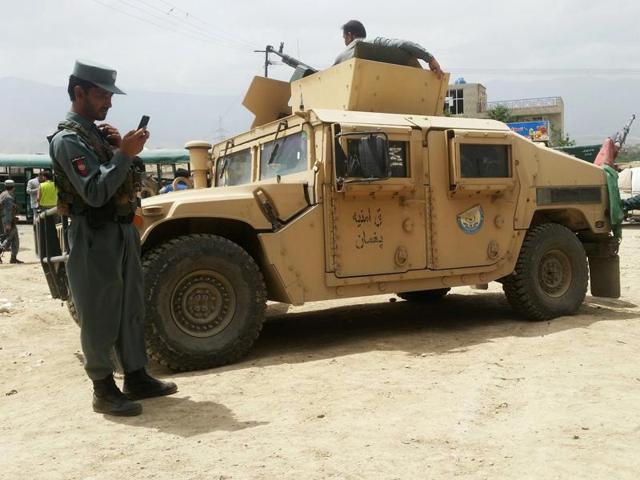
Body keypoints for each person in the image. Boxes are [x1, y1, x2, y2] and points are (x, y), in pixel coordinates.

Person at [48, 60, 177, 417]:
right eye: (102, 94)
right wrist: (123, 154)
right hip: (93, 234)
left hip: (120, 231)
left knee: (130, 307)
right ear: (79, 92)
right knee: (99, 311)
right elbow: (94, 191)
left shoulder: (97, 135)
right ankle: (103, 389)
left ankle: (136, 375)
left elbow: (127, 178)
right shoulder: (68, 140)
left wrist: (122, 149)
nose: (108, 102)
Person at [334, 20, 444, 79]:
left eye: (344, 38)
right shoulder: (373, 43)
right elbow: (403, 44)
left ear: (349, 35)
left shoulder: (340, 58)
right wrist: (430, 59)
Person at [0, 179, 22, 264]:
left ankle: (13, 258)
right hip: (7, 220)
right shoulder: (8, 197)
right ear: (13, 187)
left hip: (5, 219)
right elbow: (7, 211)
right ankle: (1, 249)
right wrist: (8, 223)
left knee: (14, 238)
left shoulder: (3, 194)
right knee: (8, 238)